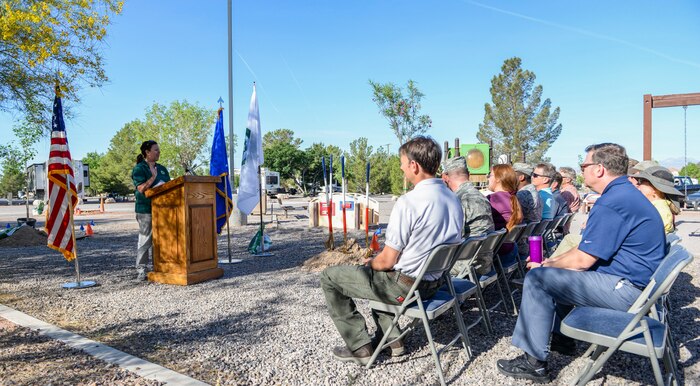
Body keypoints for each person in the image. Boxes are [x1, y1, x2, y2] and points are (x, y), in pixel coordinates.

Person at [496, 143, 666, 383]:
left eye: (584, 165)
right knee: (555, 273)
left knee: (537, 279)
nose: (582, 169)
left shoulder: (613, 201)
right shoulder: (623, 195)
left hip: (627, 290)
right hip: (633, 284)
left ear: (599, 169)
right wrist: (552, 261)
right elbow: (586, 250)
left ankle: (534, 362)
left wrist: (545, 268)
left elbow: (583, 260)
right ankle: (560, 338)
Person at [320, 136, 463, 365]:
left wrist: (370, 264)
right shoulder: (453, 199)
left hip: (406, 286)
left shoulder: (410, 202)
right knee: (380, 274)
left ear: (414, 166)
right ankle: (391, 340)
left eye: (402, 162)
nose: (400, 167)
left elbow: (386, 261)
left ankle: (360, 346)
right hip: (434, 283)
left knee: (331, 277)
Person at [441, 156, 495, 275]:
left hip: (465, 266)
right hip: (484, 263)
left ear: (445, 177)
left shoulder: (458, 200)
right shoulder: (481, 197)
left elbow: (449, 239)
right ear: (468, 174)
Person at [131, 140, 171, 281]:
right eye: (156, 150)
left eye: (159, 150)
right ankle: (141, 269)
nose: (159, 152)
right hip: (145, 209)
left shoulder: (163, 168)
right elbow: (141, 189)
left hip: (162, 210)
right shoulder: (139, 169)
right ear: (147, 152)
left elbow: (170, 186)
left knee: (162, 239)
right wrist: (153, 177)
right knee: (145, 239)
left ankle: (160, 267)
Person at [630, 165, 683, 233]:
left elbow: (654, 235)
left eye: (641, 181)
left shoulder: (659, 210)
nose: (638, 185)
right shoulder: (655, 207)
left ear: (654, 188)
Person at [487, 164, 524, 255]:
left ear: (498, 179)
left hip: (497, 252)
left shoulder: (494, 199)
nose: (488, 178)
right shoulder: (512, 197)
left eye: (490, 175)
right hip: (511, 249)